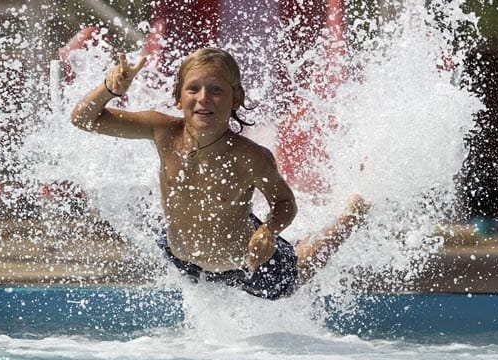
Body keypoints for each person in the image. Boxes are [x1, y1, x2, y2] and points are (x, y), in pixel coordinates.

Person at [70, 48, 369, 300]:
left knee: (297, 273)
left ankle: (349, 218)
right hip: (183, 259)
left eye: (216, 89)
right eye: (193, 88)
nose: (204, 98)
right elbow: (83, 119)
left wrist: (268, 231)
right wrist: (109, 90)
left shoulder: (251, 157)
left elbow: (284, 204)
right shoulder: (163, 131)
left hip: (247, 262)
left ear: (235, 99)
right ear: (178, 98)